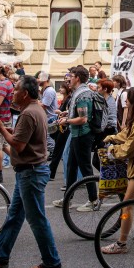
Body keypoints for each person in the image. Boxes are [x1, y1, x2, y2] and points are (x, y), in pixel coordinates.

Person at [0, 76, 63, 268]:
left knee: (37, 219)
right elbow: (23, 137)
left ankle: (52, 262)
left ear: (24, 93)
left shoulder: (28, 113)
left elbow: (18, 145)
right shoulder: (35, 109)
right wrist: (9, 131)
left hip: (31, 172)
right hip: (29, 171)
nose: (12, 93)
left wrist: (0, 129)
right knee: (14, 216)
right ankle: (0, 256)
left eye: (15, 90)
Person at [98, 86, 134, 254]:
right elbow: (128, 135)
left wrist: (114, 151)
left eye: (129, 98)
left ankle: (121, 243)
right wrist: (112, 137)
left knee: (127, 205)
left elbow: (133, 144)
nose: (126, 100)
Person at [54, 65, 97, 209]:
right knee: (72, 167)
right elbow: (79, 114)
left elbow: (83, 119)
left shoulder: (82, 94)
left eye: (70, 77)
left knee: (85, 168)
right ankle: (68, 198)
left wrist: (67, 120)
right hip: (77, 134)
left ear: (77, 78)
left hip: (82, 135)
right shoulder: (80, 92)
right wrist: (68, 114)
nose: (68, 80)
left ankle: (93, 200)